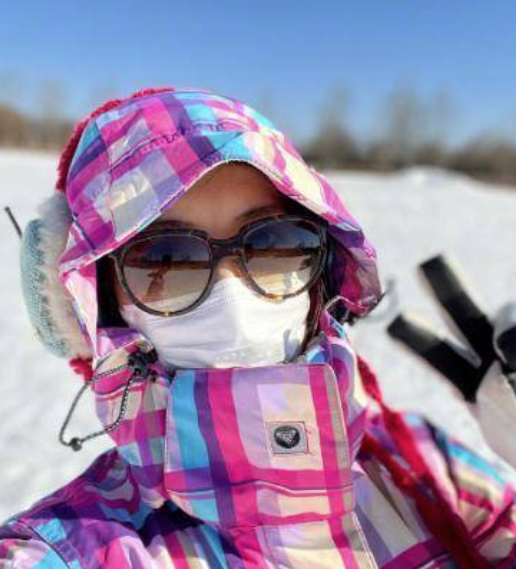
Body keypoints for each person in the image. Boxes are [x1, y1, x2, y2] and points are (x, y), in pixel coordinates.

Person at [0, 86, 515, 568]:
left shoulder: (425, 465)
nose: (232, 289)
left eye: (274, 243)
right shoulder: (76, 548)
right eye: (163, 256)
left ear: (324, 269)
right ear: (98, 302)